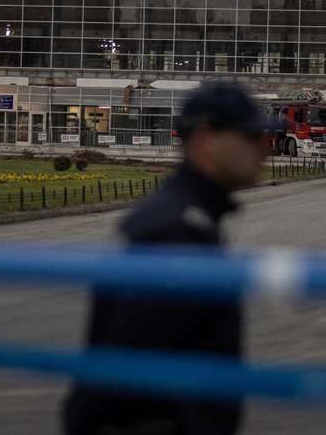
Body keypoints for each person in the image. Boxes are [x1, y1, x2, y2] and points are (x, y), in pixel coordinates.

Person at [62, 83, 272, 435]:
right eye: (250, 136)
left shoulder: (191, 217)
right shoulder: (175, 233)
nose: (263, 148)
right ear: (205, 140)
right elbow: (128, 372)